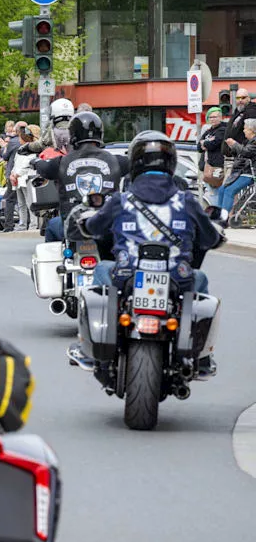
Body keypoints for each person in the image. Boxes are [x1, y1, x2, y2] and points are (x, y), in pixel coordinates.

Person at [71, 131, 223, 376]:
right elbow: (210, 238)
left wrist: (85, 222)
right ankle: (202, 356)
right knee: (200, 279)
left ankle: (89, 346)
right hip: (177, 277)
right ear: (171, 163)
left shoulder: (122, 199)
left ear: (135, 162)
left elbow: (95, 228)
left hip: (126, 274)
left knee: (100, 269)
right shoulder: (186, 200)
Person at [30, 112, 128, 242]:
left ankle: (62, 258)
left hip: (73, 228)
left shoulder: (62, 162)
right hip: (107, 228)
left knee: (52, 226)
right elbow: (136, 164)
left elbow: (44, 168)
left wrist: (35, 162)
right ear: (100, 134)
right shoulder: (116, 161)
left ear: (72, 135)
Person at [216, 118, 256, 226]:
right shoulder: (247, 141)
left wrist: (234, 144)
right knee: (221, 189)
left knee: (229, 190)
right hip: (240, 171)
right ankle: (218, 216)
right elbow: (240, 153)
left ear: (252, 130)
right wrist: (232, 147)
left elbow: (246, 152)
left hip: (249, 173)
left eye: (245, 129)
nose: (243, 131)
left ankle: (223, 219)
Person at [199, 107, 228, 207]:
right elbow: (199, 147)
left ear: (221, 117)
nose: (212, 119)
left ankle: (218, 214)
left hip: (218, 166)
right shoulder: (208, 131)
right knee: (212, 192)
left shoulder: (223, 129)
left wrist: (205, 143)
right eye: (210, 117)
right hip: (207, 166)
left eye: (215, 117)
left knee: (216, 192)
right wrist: (206, 143)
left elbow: (213, 144)